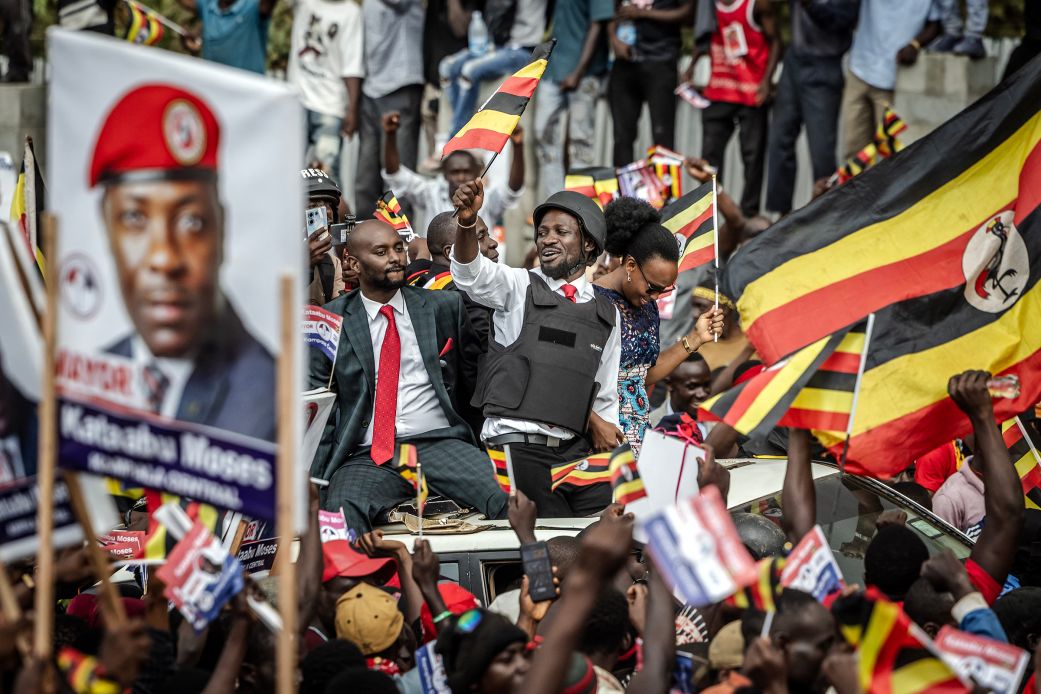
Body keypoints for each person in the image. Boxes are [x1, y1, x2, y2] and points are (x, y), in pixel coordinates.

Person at [90, 84, 276, 442]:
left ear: (222, 230)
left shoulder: (264, 397)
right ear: (106, 227)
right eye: (134, 218)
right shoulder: (92, 382)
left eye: (191, 222)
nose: (164, 258)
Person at [308, 219, 507, 531]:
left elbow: (472, 381)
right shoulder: (331, 321)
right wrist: (314, 482)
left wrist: (483, 442)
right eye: (381, 251)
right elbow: (319, 411)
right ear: (353, 263)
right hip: (368, 454)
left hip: (441, 443)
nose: (395, 257)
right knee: (340, 517)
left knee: (508, 497)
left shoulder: (444, 306)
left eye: (399, 248)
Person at [450, 180, 623, 517]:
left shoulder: (606, 313)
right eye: (542, 232)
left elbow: (605, 392)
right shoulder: (517, 286)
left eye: (561, 231)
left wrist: (608, 442)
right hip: (516, 449)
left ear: (589, 245)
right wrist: (467, 223)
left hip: (576, 453)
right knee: (555, 546)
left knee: (615, 529)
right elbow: (470, 274)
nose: (547, 239)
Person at [593, 197, 722, 454]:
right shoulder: (589, 301)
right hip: (598, 437)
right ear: (630, 265)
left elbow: (644, 374)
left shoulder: (646, 306)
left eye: (664, 291)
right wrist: (594, 422)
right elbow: (566, 376)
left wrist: (695, 338)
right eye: (652, 287)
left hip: (638, 434)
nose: (655, 297)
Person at [764, 0, 857, 217]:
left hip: (825, 65)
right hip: (794, 60)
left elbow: (843, 20)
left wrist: (810, 5)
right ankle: (781, 218)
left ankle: (823, 219)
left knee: (821, 151)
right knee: (779, 140)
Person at [694, 0, 781, 217]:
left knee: (752, 157)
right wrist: (690, 68)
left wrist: (766, 81)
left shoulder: (758, 5)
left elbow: (777, 42)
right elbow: (702, 34)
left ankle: (749, 215)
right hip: (720, 89)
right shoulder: (709, 5)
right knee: (709, 156)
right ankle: (707, 211)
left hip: (751, 91)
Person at [382, 113, 524, 228]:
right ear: (445, 175)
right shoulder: (431, 193)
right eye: (455, 172)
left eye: (467, 171)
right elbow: (396, 175)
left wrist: (518, 146)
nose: (461, 177)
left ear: (477, 174)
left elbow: (512, 190)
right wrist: (390, 136)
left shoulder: (487, 199)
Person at [840, 0, 942, 159]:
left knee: (890, 155)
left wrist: (915, 44)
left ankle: (883, 185)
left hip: (892, 81)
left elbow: (936, 25)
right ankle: (853, 184)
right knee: (854, 151)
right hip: (859, 70)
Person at [533, 0, 614, 199]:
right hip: (554, 68)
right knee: (543, 133)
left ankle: (578, 204)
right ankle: (555, 201)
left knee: (581, 140)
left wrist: (579, 71)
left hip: (584, 74)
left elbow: (598, 24)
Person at [354, 0, 424, 218]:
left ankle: (401, 244)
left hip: (400, 84)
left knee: (397, 181)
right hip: (370, 87)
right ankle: (363, 242)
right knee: (365, 181)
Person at [438, 0, 548, 136]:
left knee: (470, 70)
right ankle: (462, 127)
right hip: (495, 46)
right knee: (446, 67)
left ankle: (455, 137)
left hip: (522, 49)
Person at [606, 0, 691, 166]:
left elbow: (688, 12)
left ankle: (664, 190)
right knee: (622, 137)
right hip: (625, 62)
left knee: (663, 137)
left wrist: (643, 13)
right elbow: (609, 9)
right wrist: (614, 39)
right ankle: (621, 191)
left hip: (661, 60)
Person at [287, 0, 364, 176]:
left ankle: (327, 205)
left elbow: (352, 66)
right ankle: (287, 204)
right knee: (288, 166)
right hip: (296, 97)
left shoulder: (351, 12)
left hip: (330, 105)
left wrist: (352, 109)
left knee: (325, 173)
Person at [407, 210, 498, 343]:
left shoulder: (416, 275)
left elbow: (420, 255)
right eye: (480, 238)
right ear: (450, 252)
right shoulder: (468, 294)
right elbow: (487, 350)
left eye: (488, 235)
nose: (493, 243)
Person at [175, 0, 275, 74]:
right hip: (215, 92)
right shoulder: (208, 6)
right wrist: (194, 48)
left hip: (250, 94)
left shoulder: (254, 6)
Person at [303, 168, 348, 306]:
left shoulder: (332, 264)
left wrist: (355, 285)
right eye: (313, 206)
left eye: (329, 205)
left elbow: (338, 317)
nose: (326, 212)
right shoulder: (273, 260)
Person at [648, 353, 712, 426]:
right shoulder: (649, 427)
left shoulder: (718, 425)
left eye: (706, 385)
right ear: (670, 384)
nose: (702, 394)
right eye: (692, 387)